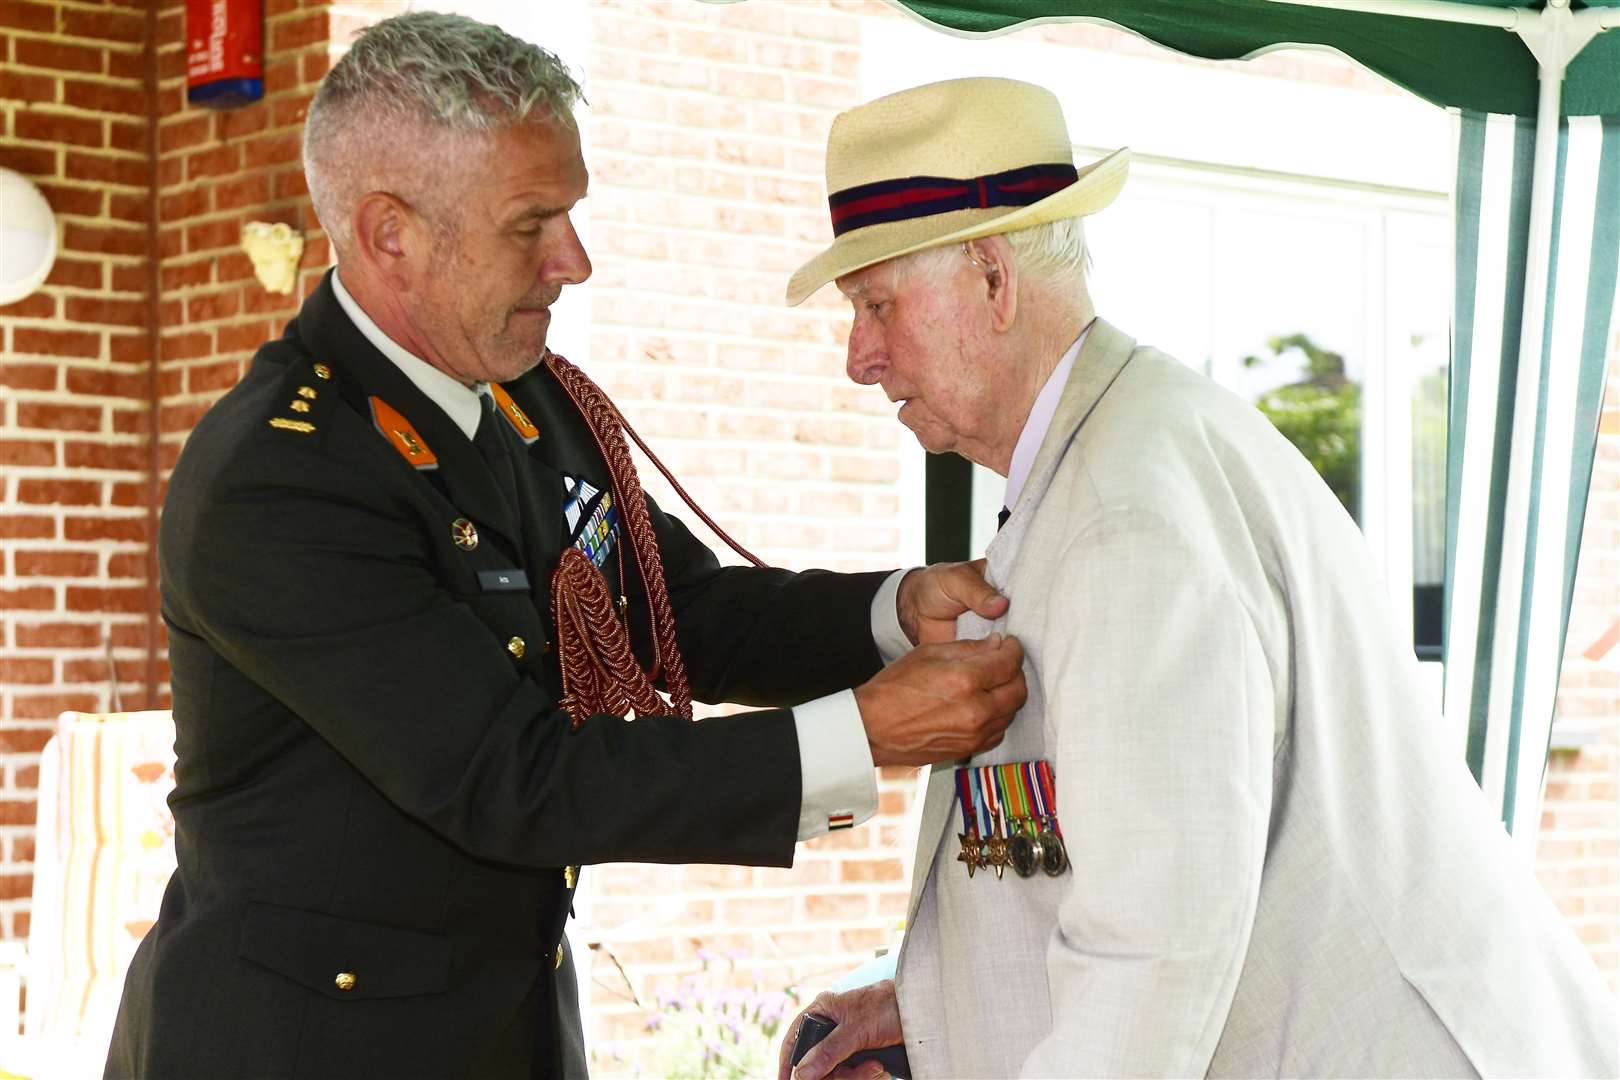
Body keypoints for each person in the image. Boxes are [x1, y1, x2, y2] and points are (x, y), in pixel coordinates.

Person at [103, 20, 1030, 1080]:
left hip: (508, 1029)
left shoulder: (529, 399)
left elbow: (674, 611)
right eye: (531, 224)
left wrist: (896, 611)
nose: (574, 262)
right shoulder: (283, 477)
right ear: (388, 233)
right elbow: (512, 779)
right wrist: (861, 736)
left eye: (572, 214)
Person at [778, 77, 1618, 1080]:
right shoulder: (1104, 460)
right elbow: (1091, 862)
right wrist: (932, 1007)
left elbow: (1150, 964)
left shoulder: (1129, 521)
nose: (859, 358)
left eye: (878, 305)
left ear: (995, 282)